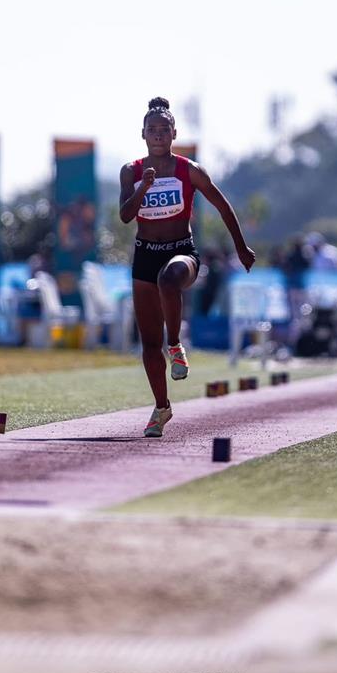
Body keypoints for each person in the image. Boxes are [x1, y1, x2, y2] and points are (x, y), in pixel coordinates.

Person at [120, 97, 255, 437]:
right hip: (144, 254)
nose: (159, 136)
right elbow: (125, 215)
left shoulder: (189, 169)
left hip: (182, 251)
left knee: (170, 280)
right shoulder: (132, 171)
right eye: (152, 130)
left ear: (174, 133)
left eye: (165, 130)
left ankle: (177, 345)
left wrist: (240, 248)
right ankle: (162, 408)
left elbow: (223, 206)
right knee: (149, 344)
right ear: (143, 134)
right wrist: (144, 188)